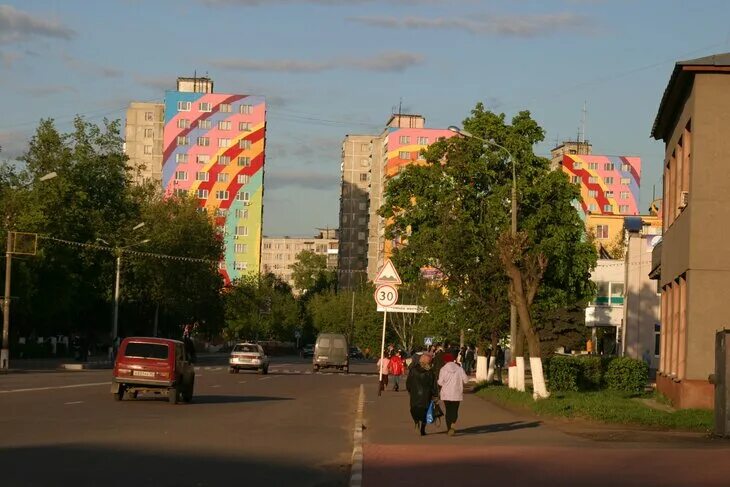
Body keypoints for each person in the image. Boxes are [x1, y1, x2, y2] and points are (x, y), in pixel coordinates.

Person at [438, 352, 470, 436]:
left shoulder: (443, 369)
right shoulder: (459, 369)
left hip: (446, 394)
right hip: (457, 393)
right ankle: (453, 425)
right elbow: (466, 380)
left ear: (445, 361)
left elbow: (440, 383)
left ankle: (449, 429)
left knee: (448, 411)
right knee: (455, 410)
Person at [406, 353, 438, 436]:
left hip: (415, 393)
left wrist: (409, 390)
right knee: (425, 411)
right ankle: (423, 429)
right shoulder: (430, 371)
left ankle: (416, 422)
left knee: (414, 408)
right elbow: (433, 384)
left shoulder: (413, 370)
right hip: (426, 394)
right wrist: (435, 394)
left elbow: (408, 382)